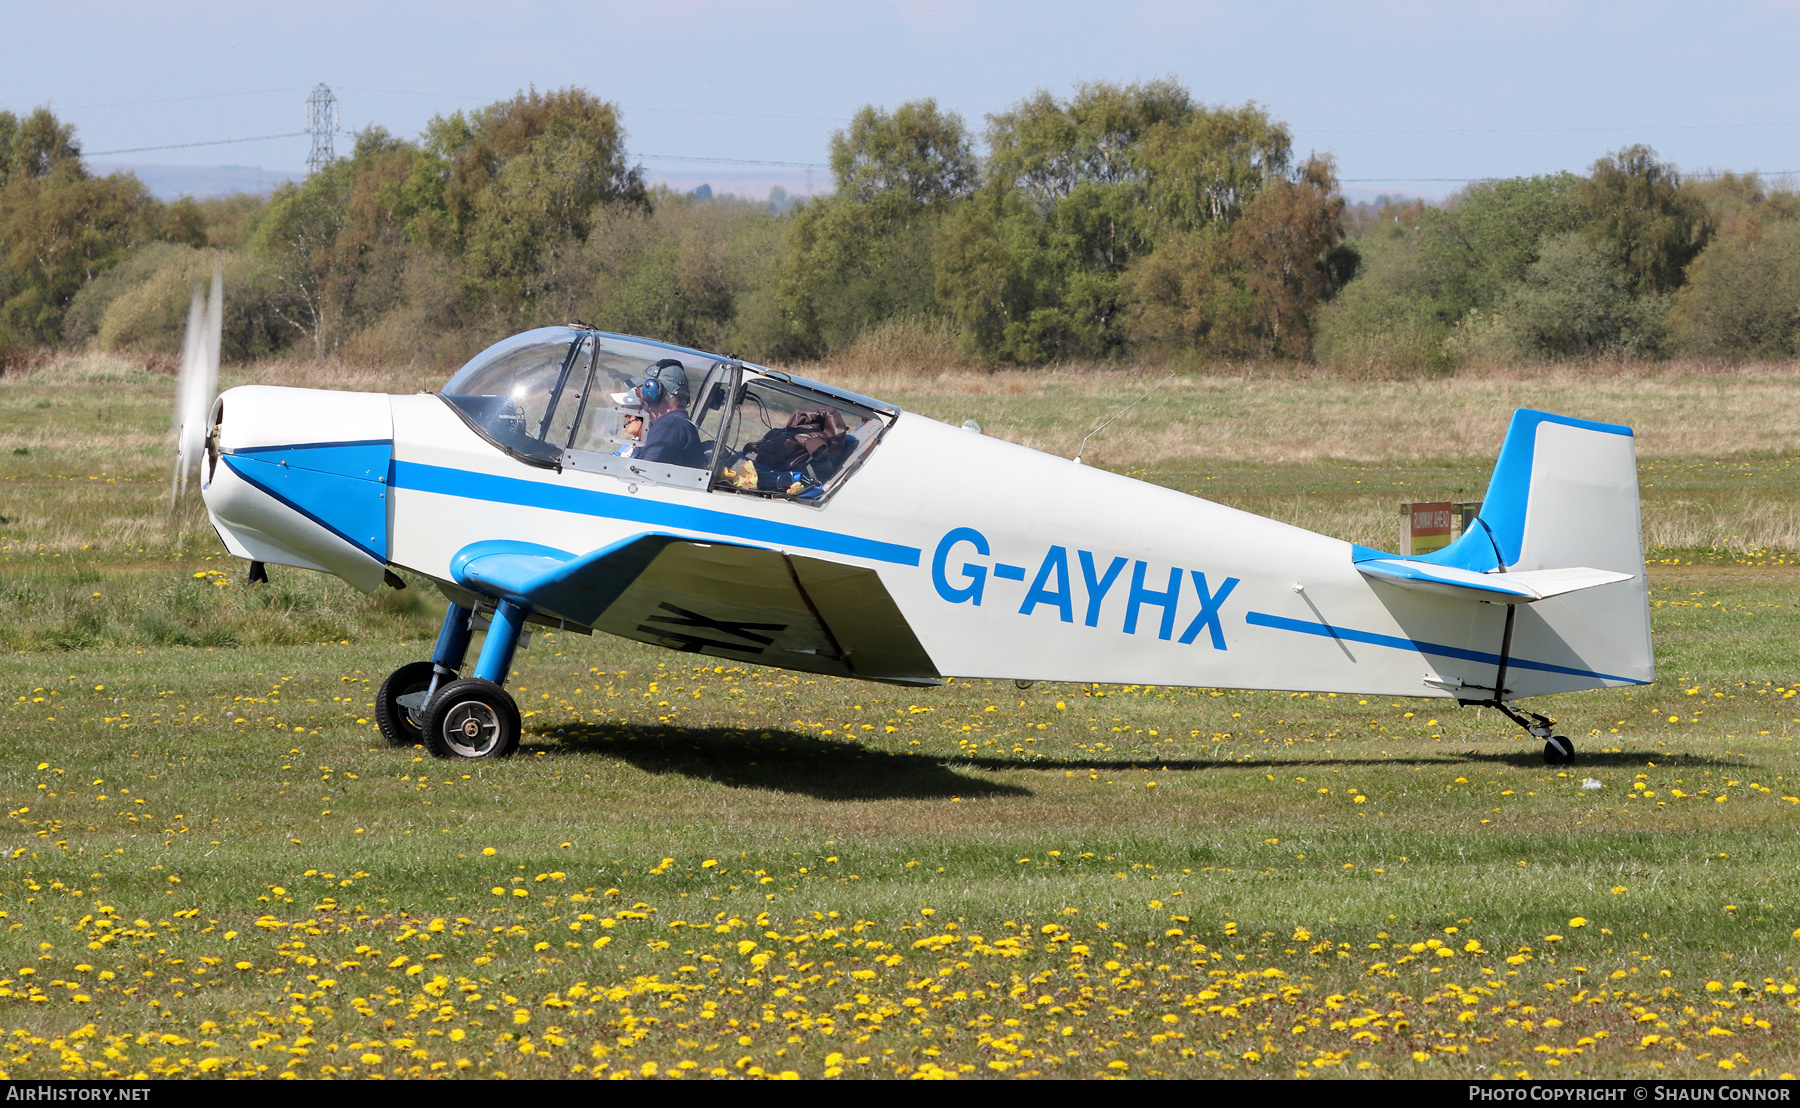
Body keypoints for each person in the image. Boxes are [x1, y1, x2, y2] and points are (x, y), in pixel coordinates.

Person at [633, 359, 706, 468]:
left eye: (639, 392)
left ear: (654, 392)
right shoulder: (675, 424)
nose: (639, 400)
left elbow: (642, 471)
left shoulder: (670, 425)